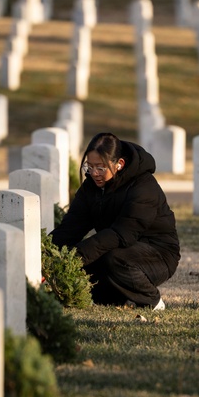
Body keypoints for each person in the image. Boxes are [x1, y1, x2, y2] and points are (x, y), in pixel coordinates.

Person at [50, 132, 180, 309]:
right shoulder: (90, 188)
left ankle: (151, 300)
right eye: (90, 166)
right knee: (81, 273)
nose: (94, 173)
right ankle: (122, 299)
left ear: (119, 164)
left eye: (101, 167)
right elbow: (70, 228)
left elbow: (123, 233)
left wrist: (76, 256)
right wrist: (46, 255)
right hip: (115, 248)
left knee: (114, 260)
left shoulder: (143, 186)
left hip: (157, 253)